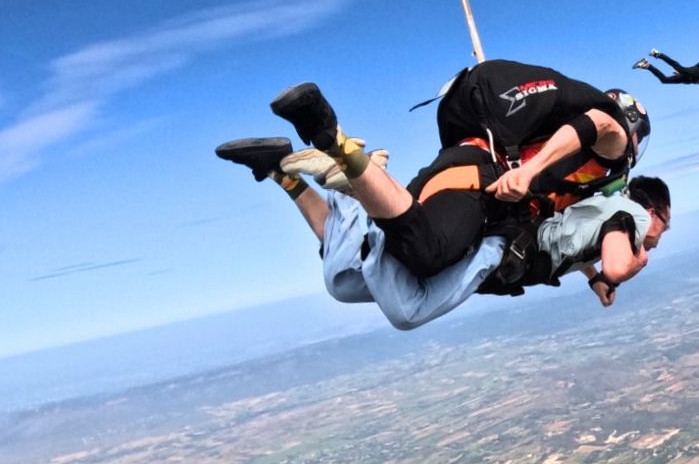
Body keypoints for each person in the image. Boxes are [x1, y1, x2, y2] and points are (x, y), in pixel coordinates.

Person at [213, 135, 670, 330]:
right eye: (663, 228)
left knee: (344, 281)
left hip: (504, 247)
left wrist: (592, 277)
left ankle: (284, 174)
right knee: (407, 311)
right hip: (496, 251)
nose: (658, 238)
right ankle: (362, 182)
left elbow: (577, 238)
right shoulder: (633, 216)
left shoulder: (604, 208)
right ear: (653, 211)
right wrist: (631, 265)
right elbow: (618, 258)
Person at [253, 65, 652, 284]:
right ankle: (337, 143)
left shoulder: (577, 171)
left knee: (368, 256)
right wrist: (529, 170)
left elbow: (562, 221)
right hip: (478, 174)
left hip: (463, 172)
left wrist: (592, 274)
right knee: (428, 253)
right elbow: (598, 122)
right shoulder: (612, 143)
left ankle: (285, 173)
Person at [633, 46, 699, 92]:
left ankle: (647, 65)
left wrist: (684, 75)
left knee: (665, 80)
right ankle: (657, 54)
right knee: (678, 67)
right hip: (697, 73)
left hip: (691, 79)